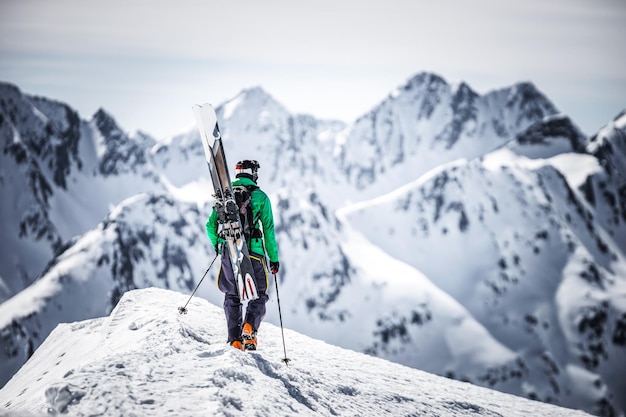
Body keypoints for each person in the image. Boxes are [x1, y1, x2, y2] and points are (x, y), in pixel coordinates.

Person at [206, 159, 280, 351]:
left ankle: (235, 340)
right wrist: (273, 259)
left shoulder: (224, 196)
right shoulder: (261, 198)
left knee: (232, 295)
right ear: (253, 173)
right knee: (259, 294)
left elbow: (210, 226)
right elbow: (269, 230)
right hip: (254, 253)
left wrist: (219, 245)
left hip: (229, 251)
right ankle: (249, 329)